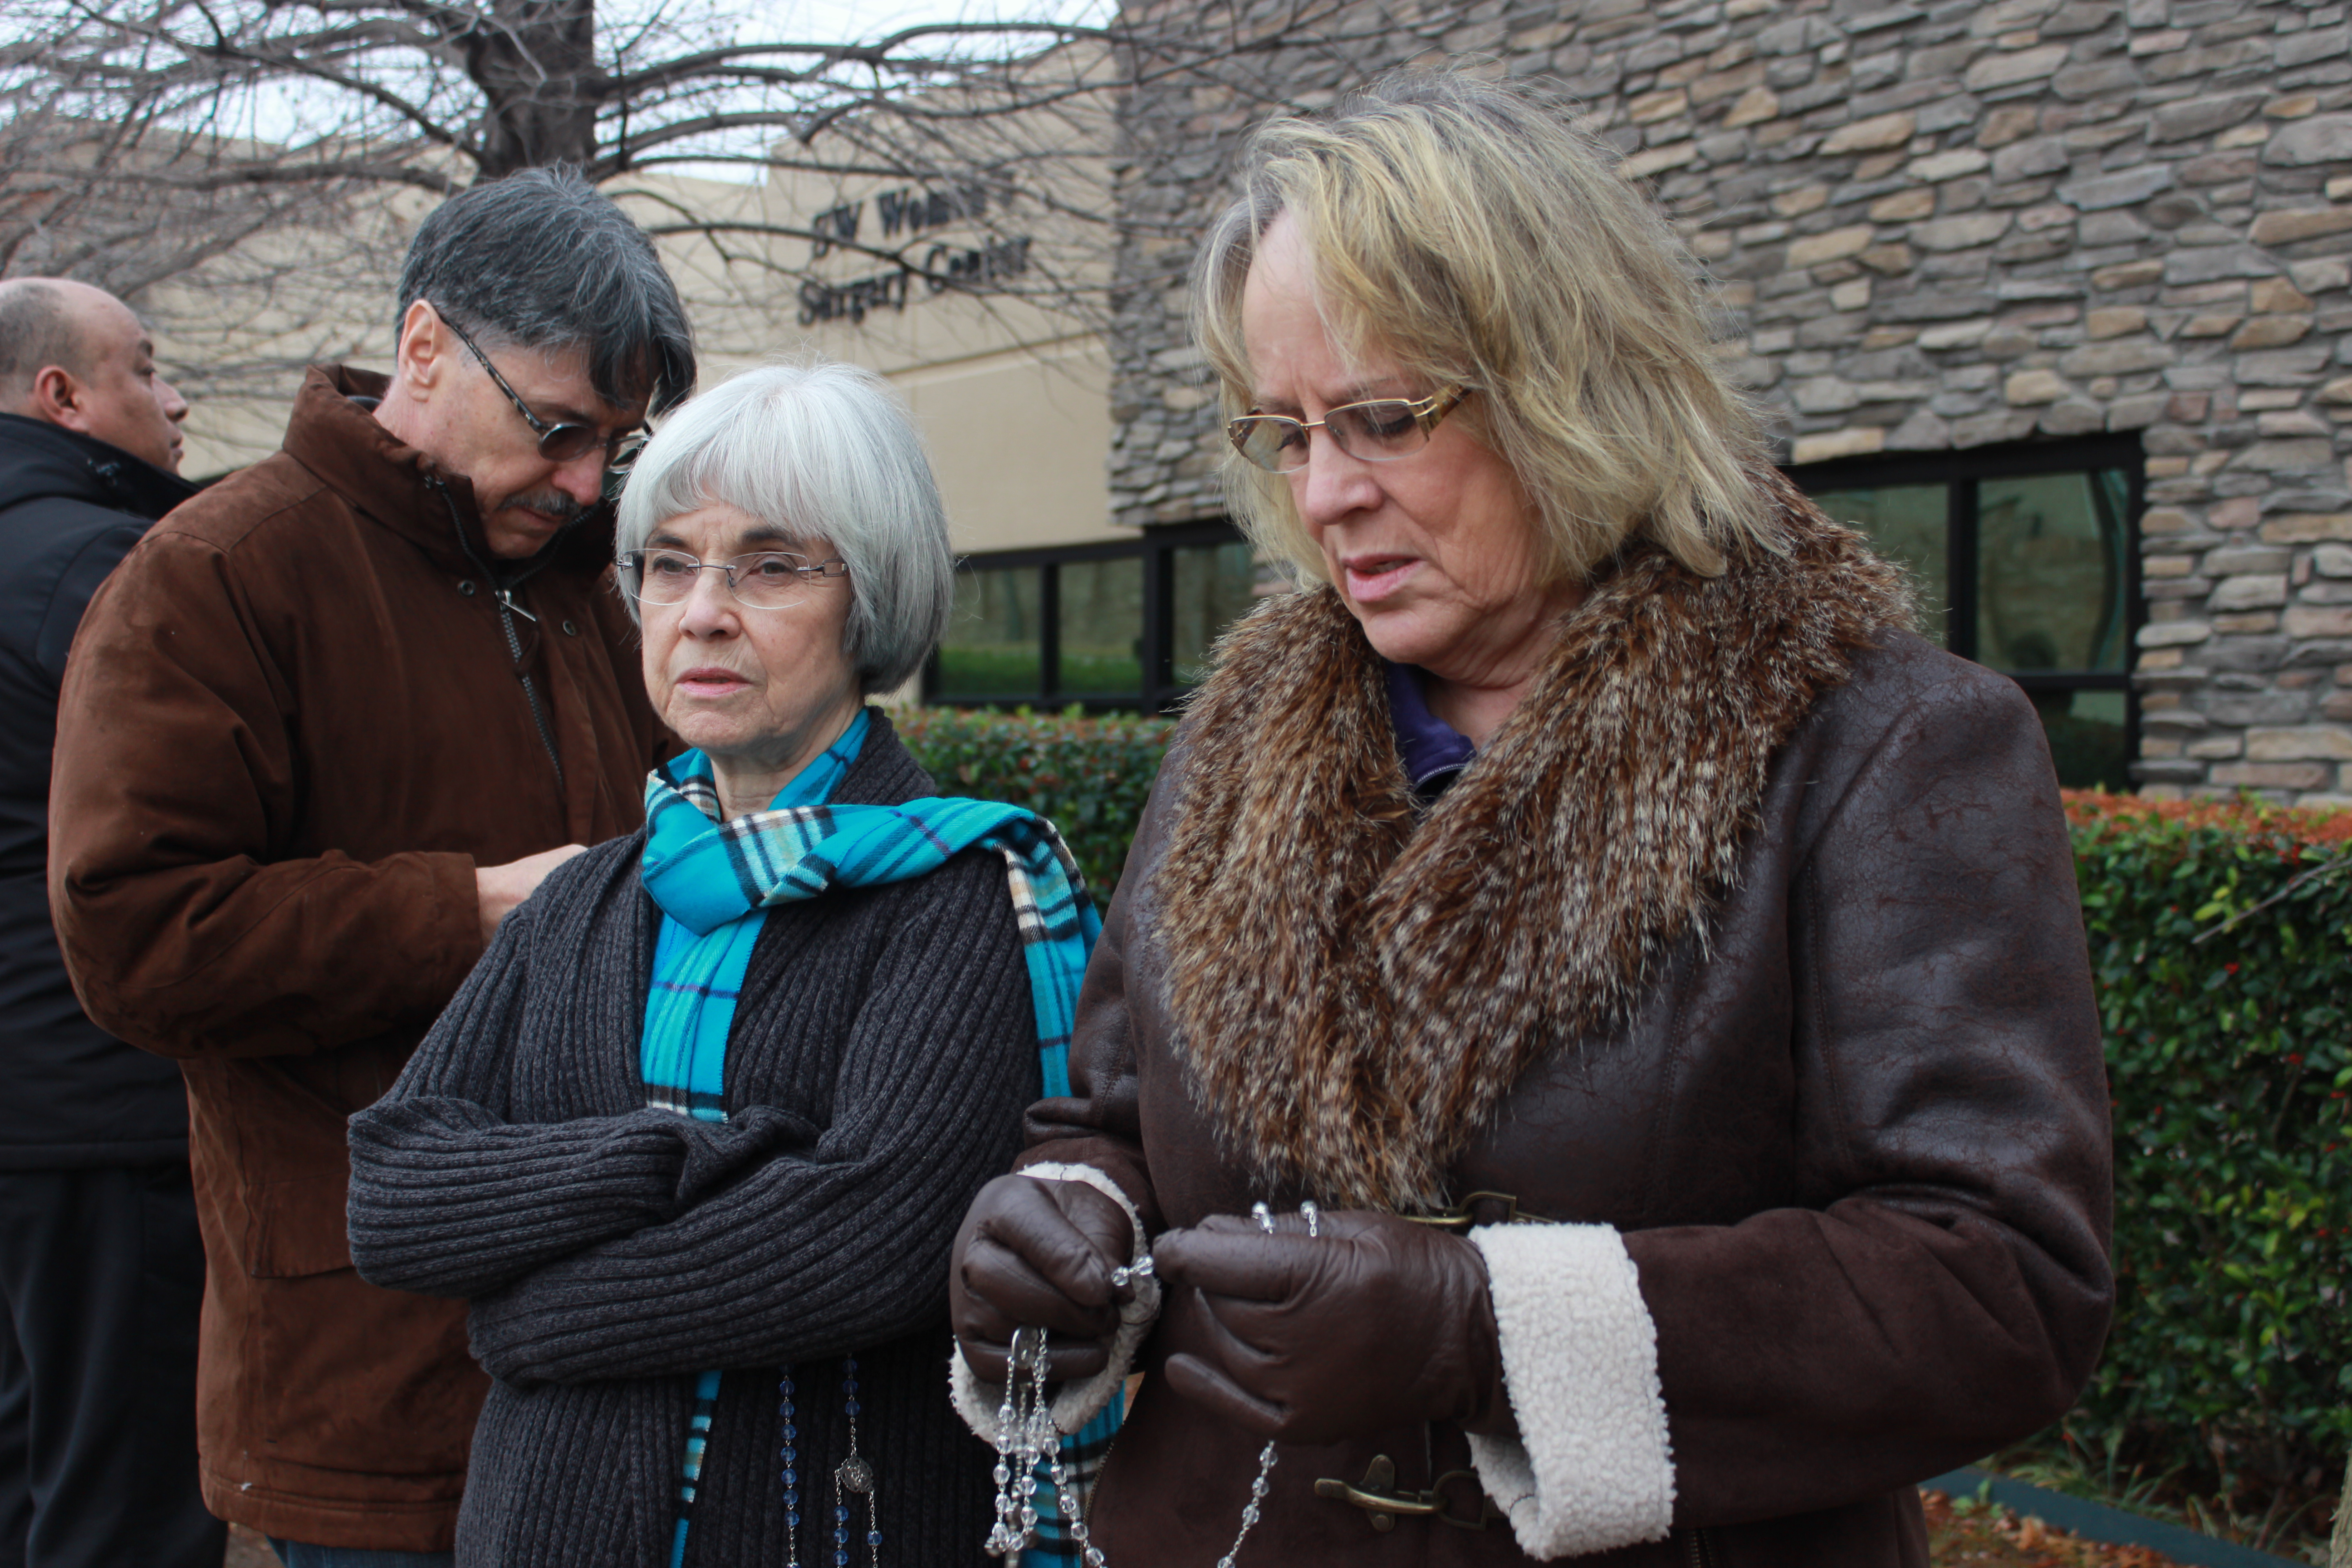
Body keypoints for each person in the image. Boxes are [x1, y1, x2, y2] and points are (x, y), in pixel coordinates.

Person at [946, 70, 2114, 1568]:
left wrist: (1480, 1330)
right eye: (1285, 431)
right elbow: (1106, 1122)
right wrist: (1052, 1231)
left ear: (1572, 376)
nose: (1324, 496)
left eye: (1381, 418)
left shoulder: (1879, 742)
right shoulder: (1236, 744)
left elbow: (2003, 1286)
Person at [47, 169, 692, 1565]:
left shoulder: (584, 586)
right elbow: (132, 936)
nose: (587, 483)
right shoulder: (215, 575)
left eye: (616, 446)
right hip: (362, 1369)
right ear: (422, 349)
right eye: (559, 429)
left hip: (592, 1327)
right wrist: (479, 910)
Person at [344, 358, 1078, 1567]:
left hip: (832, 1527)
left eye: (773, 564)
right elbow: (394, 1192)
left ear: (871, 596)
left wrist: (530, 1311)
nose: (703, 611)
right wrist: (686, 1156)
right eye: (670, 562)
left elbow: (863, 1250)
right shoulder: (581, 898)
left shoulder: (958, 899)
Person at [0, 279, 218, 1568]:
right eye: (146, 366)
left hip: (30, 1100)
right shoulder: (94, 567)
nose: (175, 394)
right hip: (99, 1100)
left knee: (32, 1464)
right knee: (127, 1495)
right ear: (62, 397)